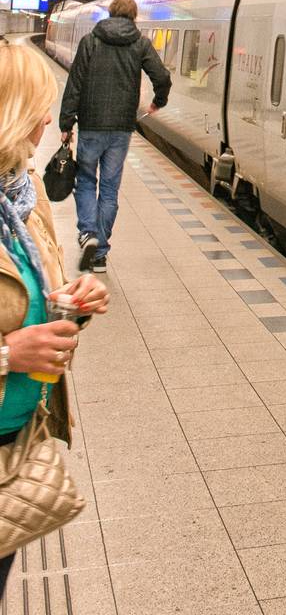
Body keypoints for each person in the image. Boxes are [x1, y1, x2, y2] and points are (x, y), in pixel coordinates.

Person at [0, 44, 108, 594]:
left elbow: (33, 293)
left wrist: (73, 299)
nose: (49, 118)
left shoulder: (23, 191)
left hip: (15, 443)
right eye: (39, 106)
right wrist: (7, 355)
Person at [58, 0, 171, 274]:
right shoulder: (140, 43)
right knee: (109, 189)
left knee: (85, 181)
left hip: (91, 124)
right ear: (134, 17)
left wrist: (66, 123)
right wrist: (159, 100)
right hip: (121, 128)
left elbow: (75, 83)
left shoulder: (90, 41)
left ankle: (88, 234)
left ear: (110, 14)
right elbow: (162, 77)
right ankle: (100, 255)